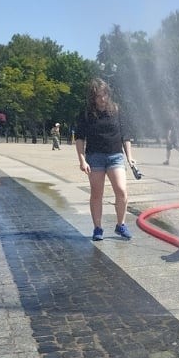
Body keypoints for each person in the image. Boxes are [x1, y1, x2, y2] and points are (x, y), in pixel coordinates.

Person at [75, 77, 135, 241]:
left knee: (121, 191)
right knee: (96, 194)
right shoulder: (86, 113)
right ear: (93, 97)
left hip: (115, 156)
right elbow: (79, 138)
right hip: (95, 158)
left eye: (105, 95)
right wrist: (82, 160)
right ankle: (98, 228)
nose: (102, 99)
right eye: (98, 96)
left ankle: (120, 224)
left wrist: (130, 157)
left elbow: (125, 135)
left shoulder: (116, 110)